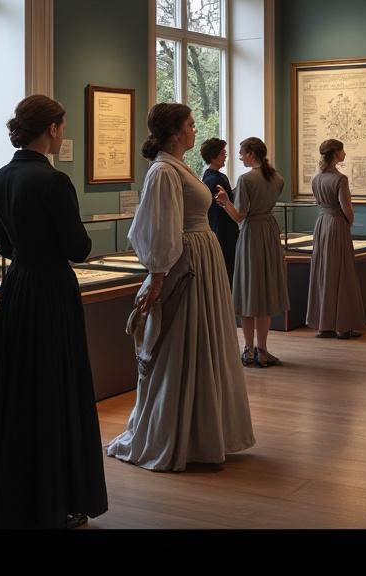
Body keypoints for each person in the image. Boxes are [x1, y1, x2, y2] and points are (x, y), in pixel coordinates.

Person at [0, 95, 107, 530]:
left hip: (17, 287)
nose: (63, 133)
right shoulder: (53, 181)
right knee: (54, 387)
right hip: (50, 289)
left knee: (18, 388)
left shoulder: (0, 178)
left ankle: (14, 498)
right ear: (52, 128)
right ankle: (57, 499)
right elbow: (79, 248)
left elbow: (6, 246)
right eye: (62, 126)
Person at [108, 104, 255, 469]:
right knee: (182, 346)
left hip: (201, 260)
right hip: (186, 264)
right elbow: (159, 227)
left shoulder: (177, 167)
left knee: (202, 344)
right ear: (175, 133)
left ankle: (202, 433)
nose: (194, 129)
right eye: (190, 125)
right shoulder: (163, 171)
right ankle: (178, 435)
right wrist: (157, 277)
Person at [214, 137, 289, 367]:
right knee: (264, 291)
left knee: (248, 291)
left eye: (241, 153)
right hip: (269, 232)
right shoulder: (277, 178)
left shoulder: (246, 179)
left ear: (251, 154)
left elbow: (239, 216)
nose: (239, 156)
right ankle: (263, 349)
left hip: (251, 235)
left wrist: (226, 201)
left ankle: (248, 349)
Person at [306, 139, 365, 339]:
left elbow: (319, 203)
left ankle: (324, 325)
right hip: (337, 224)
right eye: (342, 151)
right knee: (341, 271)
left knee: (324, 271)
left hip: (322, 224)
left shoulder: (316, 178)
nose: (345, 154)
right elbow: (346, 208)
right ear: (335, 154)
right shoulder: (341, 179)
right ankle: (342, 325)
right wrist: (348, 222)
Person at [200, 138, 239, 283]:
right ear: (213, 156)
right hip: (224, 229)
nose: (225, 156)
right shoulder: (215, 179)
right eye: (222, 153)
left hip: (220, 227)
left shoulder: (212, 176)